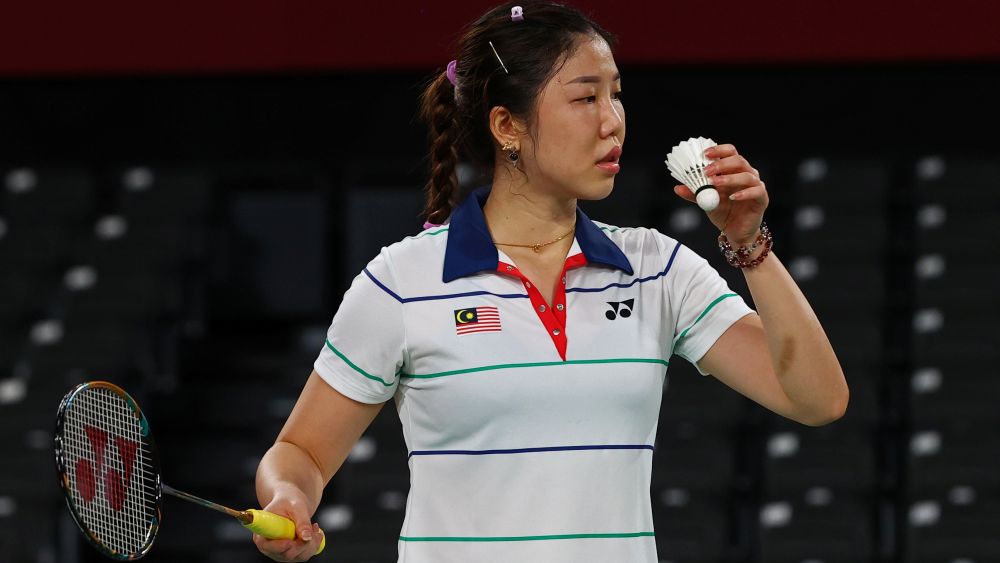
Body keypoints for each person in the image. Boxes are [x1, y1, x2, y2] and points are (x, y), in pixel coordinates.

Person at [253, 2, 849, 561]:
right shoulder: (401, 283)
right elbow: (300, 452)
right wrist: (290, 496)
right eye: (586, 98)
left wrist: (749, 244)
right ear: (507, 125)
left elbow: (817, 399)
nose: (613, 121)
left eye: (617, 95)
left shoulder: (657, 269)